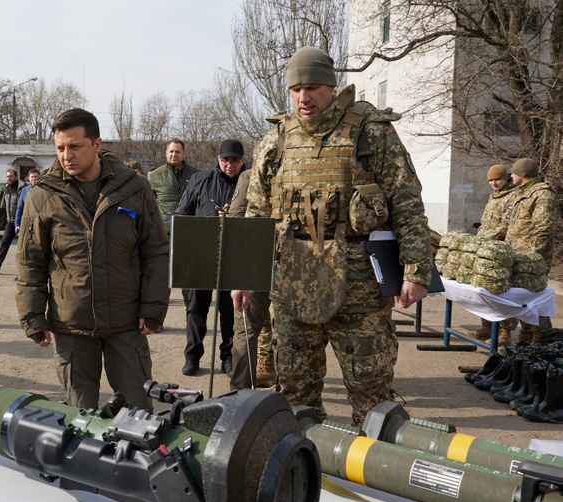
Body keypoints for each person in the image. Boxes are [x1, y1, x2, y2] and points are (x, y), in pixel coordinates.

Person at [232, 46, 433, 426]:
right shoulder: (275, 142)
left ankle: (373, 473)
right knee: (293, 396)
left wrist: (416, 272)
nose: (303, 97)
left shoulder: (371, 134)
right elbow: (255, 216)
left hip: (359, 288)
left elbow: (407, 204)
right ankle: (301, 469)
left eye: (312, 87)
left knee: (372, 396)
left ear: (331, 85)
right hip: (292, 286)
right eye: (296, 89)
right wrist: (244, 278)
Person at [16, 108, 169, 410]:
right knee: (79, 416)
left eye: (75, 146)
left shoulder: (134, 188)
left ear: (97, 145)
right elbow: (30, 262)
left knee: (137, 410)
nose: (66, 155)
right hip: (71, 325)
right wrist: (32, 316)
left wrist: (153, 307)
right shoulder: (42, 197)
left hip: (125, 324)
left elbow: (156, 251)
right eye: (60, 148)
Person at [174, 139, 246, 377]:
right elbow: (181, 215)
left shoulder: (250, 184)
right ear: (219, 159)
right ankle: (192, 357)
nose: (230, 164)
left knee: (229, 311)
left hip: (234, 257)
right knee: (196, 309)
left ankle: (227, 358)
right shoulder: (199, 180)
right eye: (226, 160)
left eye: (235, 160)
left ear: (242, 161)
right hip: (201, 256)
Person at [227, 169, 276, 389]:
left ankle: (240, 396)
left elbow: (236, 221)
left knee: (246, 331)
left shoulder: (253, 174)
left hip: (256, 262)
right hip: (292, 264)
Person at [502, 157, 556, 345]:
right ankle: (526, 339)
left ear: (522, 175)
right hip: (518, 256)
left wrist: (534, 257)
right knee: (522, 300)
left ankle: (544, 340)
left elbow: (543, 229)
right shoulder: (522, 193)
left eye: (514, 173)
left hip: (531, 260)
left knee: (534, 300)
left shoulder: (541, 194)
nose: (511, 176)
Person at [472, 164, 515, 340]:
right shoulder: (493, 197)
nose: (494, 183)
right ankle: (487, 327)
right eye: (491, 180)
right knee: (485, 289)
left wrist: (486, 238)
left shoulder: (512, 197)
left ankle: (505, 332)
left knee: (502, 291)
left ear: (506, 178)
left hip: (500, 250)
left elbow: (506, 224)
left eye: (497, 179)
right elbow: (485, 222)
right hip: (487, 250)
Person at [147, 138, 200, 234]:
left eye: (177, 152)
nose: (174, 154)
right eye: (171, 151)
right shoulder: (154, 176)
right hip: (164, 231)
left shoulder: (196, 176)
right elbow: (147, 204)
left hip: (190, 229)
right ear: (166, 153)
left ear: (184, 153)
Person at [0, 169, 25, 274]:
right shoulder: (5, 188)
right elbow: (1, 205)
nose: (9, 178)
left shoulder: (22, 189)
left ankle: (24, 272)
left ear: (16, 177)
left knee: (23, 247)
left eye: (11, 176)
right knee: (4, 243)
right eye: (7, 176)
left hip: (22, 221)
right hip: (10, 221)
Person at [13, 168, 40, 234]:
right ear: (28, 178)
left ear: (39, 177)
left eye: (36, 177)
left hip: (40, 221)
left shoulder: (43, 190)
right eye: (32, 177)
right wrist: (17, 224)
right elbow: (20, 207)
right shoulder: (25, 190)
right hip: (28, 220)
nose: (34, 179)